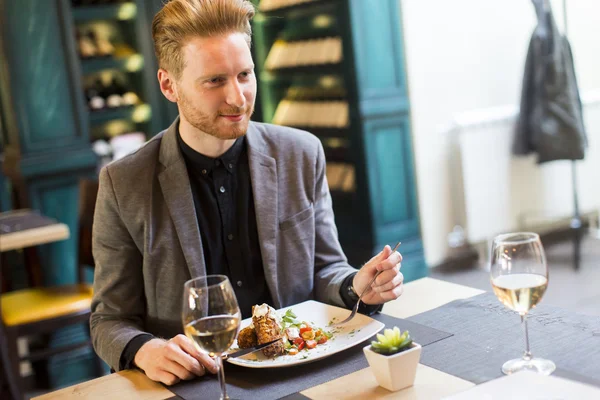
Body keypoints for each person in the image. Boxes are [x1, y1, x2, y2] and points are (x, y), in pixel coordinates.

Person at [90, 0, 404, 386]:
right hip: (197, 382)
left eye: (244, 74)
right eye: (214, 81)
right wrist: (144, 349)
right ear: (169, 85)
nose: (238, 98)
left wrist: (356, 286)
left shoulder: (302, 154)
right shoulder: (124, 183)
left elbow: (325, 268)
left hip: (299, 366)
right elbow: (109, 319)